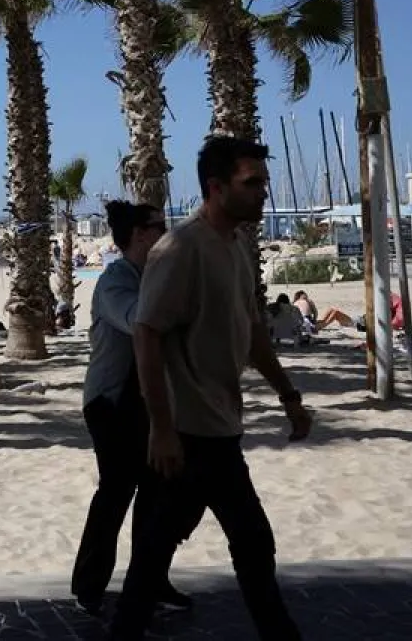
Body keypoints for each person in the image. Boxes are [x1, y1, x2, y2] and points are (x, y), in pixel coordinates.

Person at [108, 136, 312, 641]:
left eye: (264, 180)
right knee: (249, 541)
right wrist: (161, 429)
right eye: (253, 182)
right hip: (189, 434)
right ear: (216, 188)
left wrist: (288, 395)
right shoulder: (180, 248)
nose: (264, 191)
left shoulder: (240, 243)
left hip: (221, 426)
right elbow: (147, 333)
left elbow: (251, 332)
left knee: (163, 548)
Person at [72, 201, 192, 617]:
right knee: (117, 491)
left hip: (149, 400)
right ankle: (89, 586)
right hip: (110, 402)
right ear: (141, 234)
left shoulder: (154, 275)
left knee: (160, 492)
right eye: (160, 227)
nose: (167, 233)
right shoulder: (115, 280)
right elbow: (140, 320)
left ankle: (150, 579)